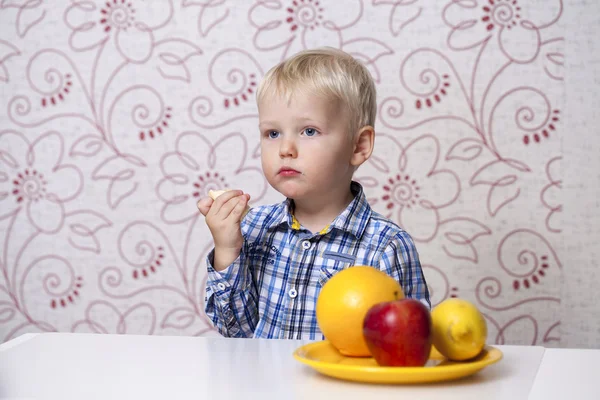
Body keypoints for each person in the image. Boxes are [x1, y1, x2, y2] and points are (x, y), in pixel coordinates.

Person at [197, 47, 430, 339]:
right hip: (261, 385)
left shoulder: (386, 247)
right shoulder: (253, 229)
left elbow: (409, 343)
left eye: (308, 131)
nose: (285, 149)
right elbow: (236, 332)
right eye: (272, 133)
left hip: (341, 385)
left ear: (358, 146)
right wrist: (227, 250)